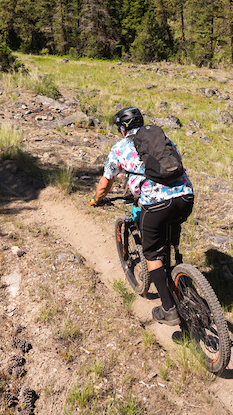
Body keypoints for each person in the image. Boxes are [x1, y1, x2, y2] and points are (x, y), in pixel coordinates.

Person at [91, 106, 194, 325]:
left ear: (122, 128)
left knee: (152, 255)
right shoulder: (161, 138)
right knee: (169, 231)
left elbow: (106, 182)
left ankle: (169, 309)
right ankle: (181, 272)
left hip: (156, 205)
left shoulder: (120, 148)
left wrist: (98, 199)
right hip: (185, 197)